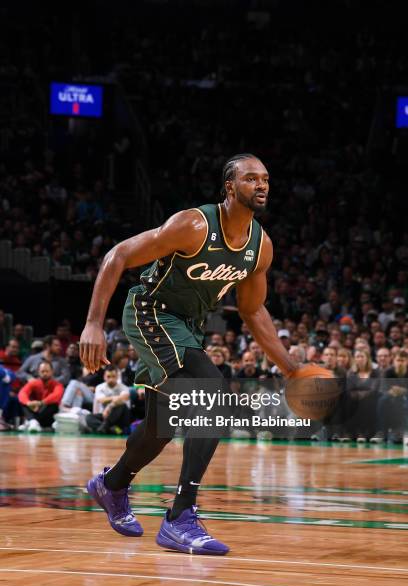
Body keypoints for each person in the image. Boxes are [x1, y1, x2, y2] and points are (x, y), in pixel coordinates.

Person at [80, 153, 305, 556]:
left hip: (186, 328)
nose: (262, 185)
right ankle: (180, 516)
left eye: (266, 179)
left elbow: (252, 310)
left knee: (160, 427)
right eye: (251, 178)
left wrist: (290, 368)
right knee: (212, 395)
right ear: (230, 187)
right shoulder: (194, 225)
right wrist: (94, 323)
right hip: (150, 313)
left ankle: (111, 484)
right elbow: (118, 255)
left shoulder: (260, 246)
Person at [18, 361, 64, 432]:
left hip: (47, 415)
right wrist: (28, 403)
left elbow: (56, 396)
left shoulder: (57, 385)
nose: (45, 373)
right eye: (42, 371)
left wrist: (41, 403)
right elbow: (22, 393)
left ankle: (31, 422)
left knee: (54, 404)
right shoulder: (34, 383)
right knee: (23, 402)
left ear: (52, 372)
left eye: (47, 371)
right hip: (35, 409)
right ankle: (33, 422)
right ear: (38, 372)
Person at [85, 365, 130, 434]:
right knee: (88, 417)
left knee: (121, 405)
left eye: (113, 376)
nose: (111, 379)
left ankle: (104, 427)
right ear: (104, 377)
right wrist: (115, 398)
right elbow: (101, 400)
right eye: (108, 377)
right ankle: (110, 429)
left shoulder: (124, 387)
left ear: (117, 377)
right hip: (105, 415)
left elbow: (125, 397)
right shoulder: (100, 387)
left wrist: (110, 406)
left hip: (120, 418)